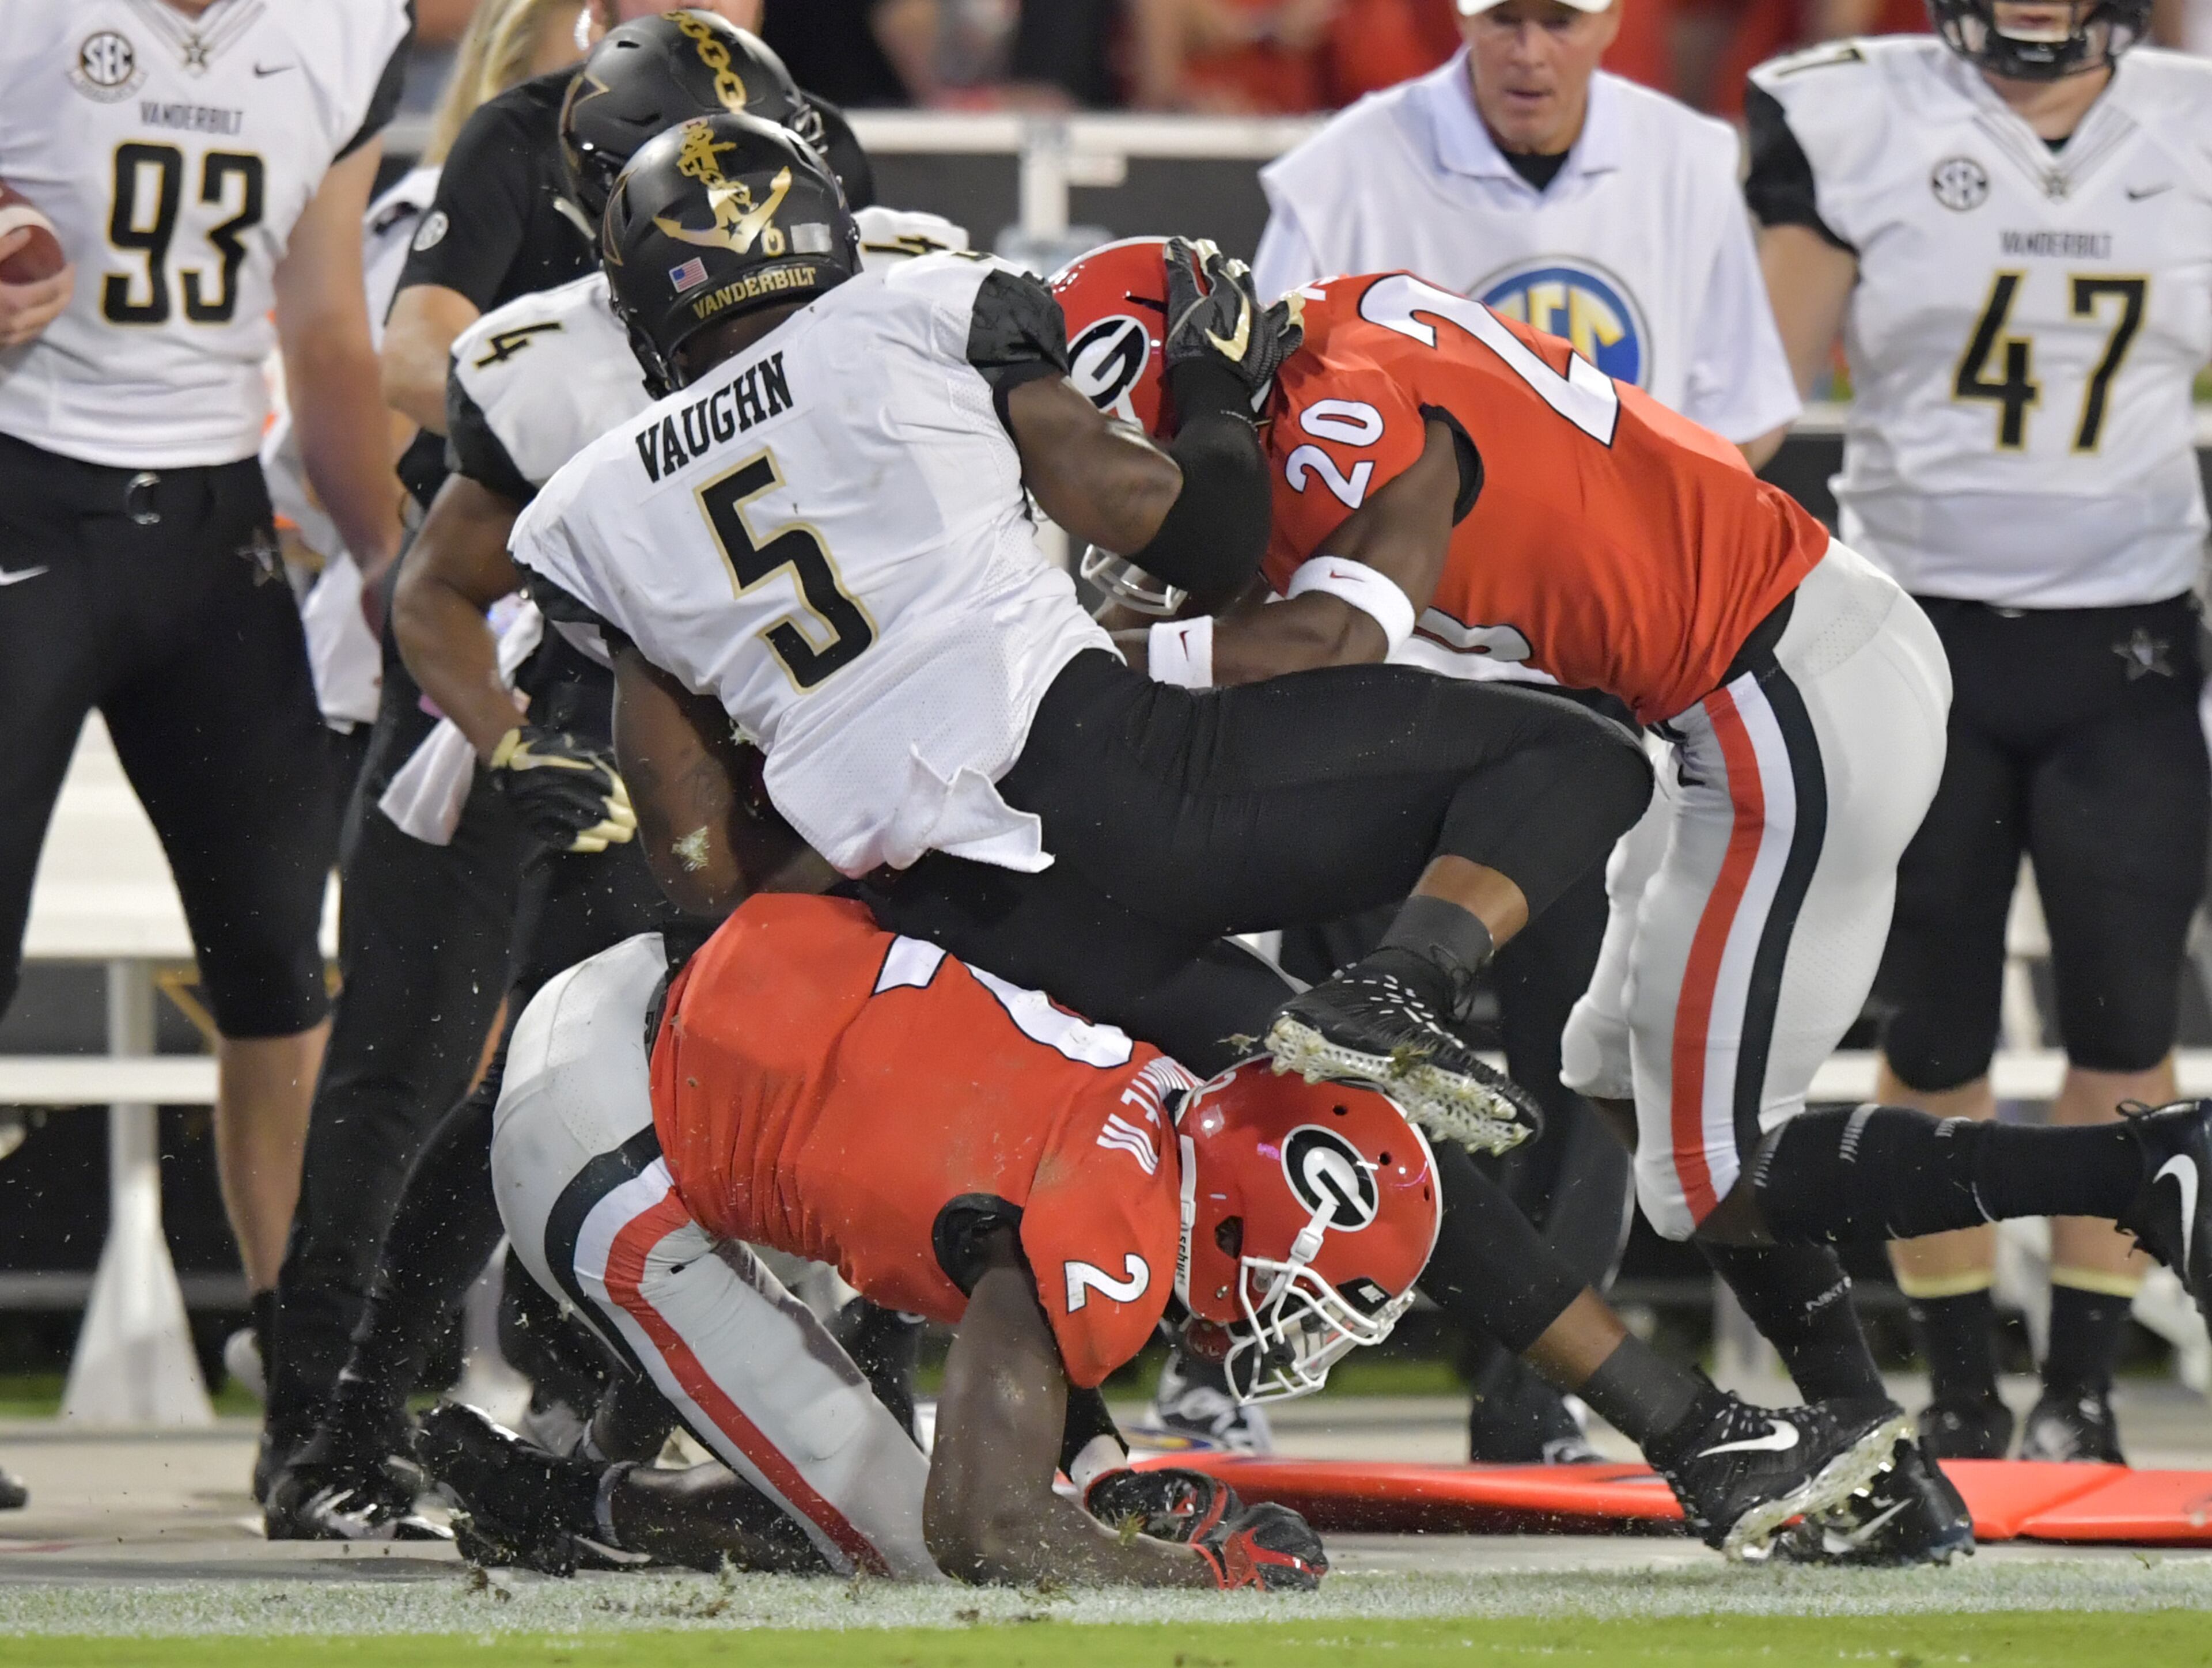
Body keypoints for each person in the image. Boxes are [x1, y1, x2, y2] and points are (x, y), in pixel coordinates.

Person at [1050, 237, 2212, 1563]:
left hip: (1786, 685)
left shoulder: (1343, 412)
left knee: (1716, 1160)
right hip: (1742, 690)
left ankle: (2130, 1164)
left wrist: (1080, 648)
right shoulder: (1342, 329)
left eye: (1151, 450)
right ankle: (1862, 1438)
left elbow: (1335, 636)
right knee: (1621, 1087)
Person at [514, 114, 1654, 1169]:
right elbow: (1219, 555)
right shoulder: (913, 303)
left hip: (904, 891)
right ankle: (1401, 999)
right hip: (1109, 778)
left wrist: (834, 886)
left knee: (998, 1194)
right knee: (1561, 786)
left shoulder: (599, 498)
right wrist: (1209, 391)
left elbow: (695, 858)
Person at [425, 896, 1919, 1574]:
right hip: (617, 1128)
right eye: (1317, 1294)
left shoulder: (1164, 1124)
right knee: (901, 1542)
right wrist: (1177, 1576)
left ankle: (577, 1476)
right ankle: (579, 1516)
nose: (1308, 1324)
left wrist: (1115, 1495)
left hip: (680, 995)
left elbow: (1031, 1300)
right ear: (1265, 1221)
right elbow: (987, 1524)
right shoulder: (1124, 1217)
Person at [264, 14, 867, 1537]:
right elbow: (432, 590)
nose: (731, 232)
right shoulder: (543, 359)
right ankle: (333, 1422)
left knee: (678, 1059)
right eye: (686, 191)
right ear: (594, 197)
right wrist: (513, 739)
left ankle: (668, 1395)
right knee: (442, 1069)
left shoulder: (862, 311)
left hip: (720, 728)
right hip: (537, 706)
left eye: (760, 193)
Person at [1232, 0, 1804, 1464]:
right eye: (1502, 20)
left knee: (1587, 1049)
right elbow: (1270, 439)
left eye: (1557, 19)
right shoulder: (1345, 165)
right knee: (1323, 1028)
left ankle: (1532, 1379)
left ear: (1609, 25)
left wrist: (1599, 585)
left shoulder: (1682, 161)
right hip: (1390, 681)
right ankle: (1236, 1344)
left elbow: (1736, 431)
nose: (1527, 51)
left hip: (1585, 693)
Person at [1747, 3, 2212, 1463]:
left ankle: (2077, 1390)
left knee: (2126, 1022)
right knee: (1932, 1026)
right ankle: (1954, 1387)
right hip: (1913, 635)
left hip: (2125, 641)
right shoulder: (1851, 111)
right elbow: (1754, 406)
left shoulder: (2190, 125)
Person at [0, 0, 416, 1505]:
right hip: (21, 495)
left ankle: (313, 1411)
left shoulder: (334, 29)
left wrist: (388, 560)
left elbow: (322, 327)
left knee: (275, 970)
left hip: (212, 525)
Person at [379, 0, 767, 509]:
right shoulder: (523, 133)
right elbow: (413, 357)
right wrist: (588, 453)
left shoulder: (820, 142)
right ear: (600, 13)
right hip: (543, 506)